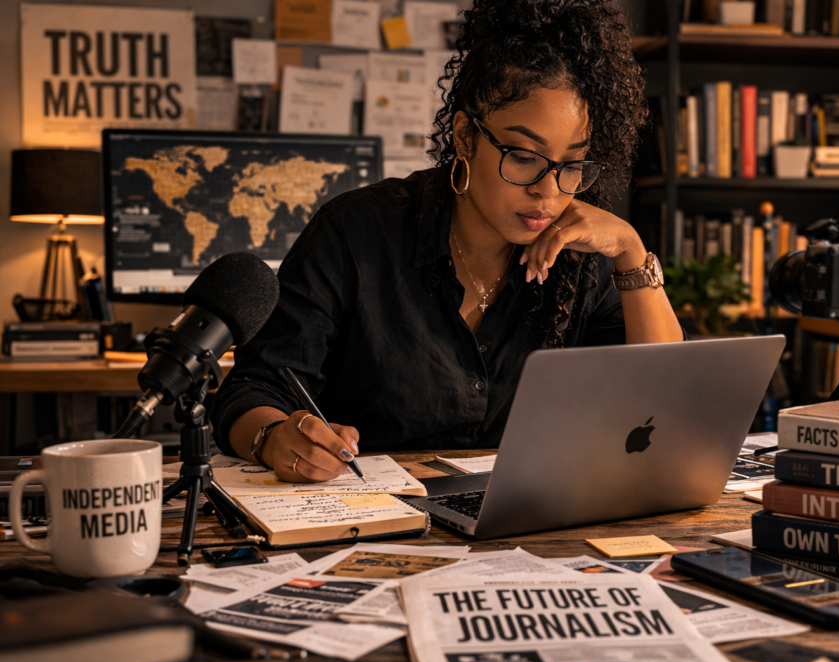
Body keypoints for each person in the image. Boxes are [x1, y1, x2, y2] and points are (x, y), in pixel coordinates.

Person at [210, 0, 685, 483]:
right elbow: (252, 390)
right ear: (465, 135)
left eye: (572, 164)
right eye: (524, 156)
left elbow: (662, 412)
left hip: (532, 530)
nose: (548, 189)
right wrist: (273, 438)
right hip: (372, 523)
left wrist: (630, 250)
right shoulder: (355, 233)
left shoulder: (582, 253)